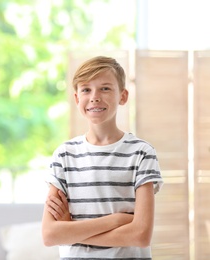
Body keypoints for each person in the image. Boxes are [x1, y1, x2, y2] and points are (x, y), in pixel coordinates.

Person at [41, 56, 163, 259]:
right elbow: (50, 235)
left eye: (105, 88)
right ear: (77, 98)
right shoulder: (64, 155)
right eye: (86, 89)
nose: (95, 96)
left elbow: (141, 235)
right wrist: (115, 221)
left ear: (122, 96)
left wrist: (71, 230)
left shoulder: (142, 153)